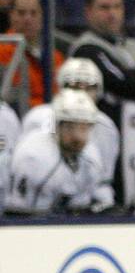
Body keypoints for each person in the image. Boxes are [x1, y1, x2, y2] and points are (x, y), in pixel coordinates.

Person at [20, 59, 120, 209]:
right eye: (73, 86)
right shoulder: (38, 118)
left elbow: (102, 180)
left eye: (89, 87)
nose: (81, 93)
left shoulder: (106, 126)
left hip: (82, 196)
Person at [5, 90, 105, 215]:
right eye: (70, 127)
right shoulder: (32, 157)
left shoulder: (92, 156)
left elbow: (82, 208)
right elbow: (19, 213)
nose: (77, 137)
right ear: (57, 126)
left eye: (83, 127)